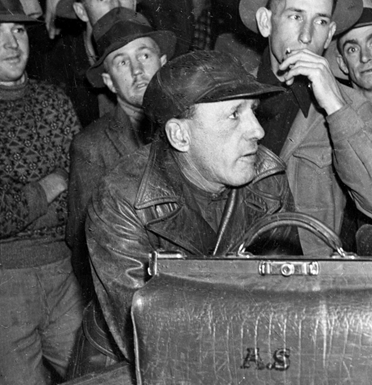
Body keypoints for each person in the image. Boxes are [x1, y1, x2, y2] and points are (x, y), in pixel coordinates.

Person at [87, 50, 297, 360]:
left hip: (247, 357)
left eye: (253, 110)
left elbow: (289, 298)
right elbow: (147, 333)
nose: (257, 130)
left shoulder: (268, 179)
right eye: (235, 114)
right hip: (126, 369)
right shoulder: (123, 198)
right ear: (179, 135)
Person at [238, 0, 372, 255]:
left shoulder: (349, 106)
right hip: (232, 276)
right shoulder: (228, 94)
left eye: (319, 22)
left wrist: (336, 107)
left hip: (310, 282)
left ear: (330, 33)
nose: (306, 36)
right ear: (266, 22)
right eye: (295, 16)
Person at [0, 0, 83, 385]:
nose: (11, 44)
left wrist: (28, 197)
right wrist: (52, 182)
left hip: (63, 271)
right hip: (5, 285)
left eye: (16, 30)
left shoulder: (54, 101)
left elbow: (82, 192)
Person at [67, 7, 174, 303]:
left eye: (144, 55)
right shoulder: (91, 146)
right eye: (121, 62)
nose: (137, 70)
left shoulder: (188, 128)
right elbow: (82, 246)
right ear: (110, 82)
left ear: (163, 63)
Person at [53, 0, 155, 124]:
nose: (116, 7)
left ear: (133, 2)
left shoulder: (153, 55)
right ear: (81, 11)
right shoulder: (61, 70)